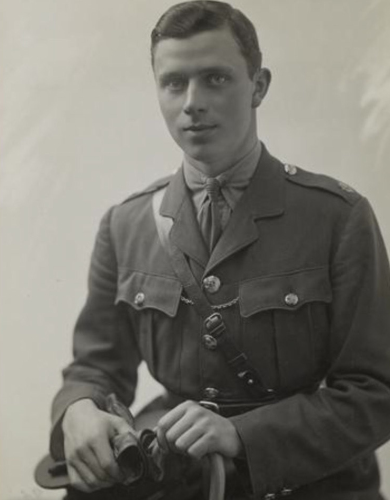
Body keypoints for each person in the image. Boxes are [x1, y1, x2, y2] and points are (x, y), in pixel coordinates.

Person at [49, 1, 390, 499]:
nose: (192, 102)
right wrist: (79, 408)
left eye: (215, 79)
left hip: (312, 485)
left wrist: (243, 437)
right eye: (173, 83)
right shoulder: (126, 224)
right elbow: (95, 366)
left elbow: (376, 392)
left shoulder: (337, 218)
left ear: (259, 86)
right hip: (179, 481)